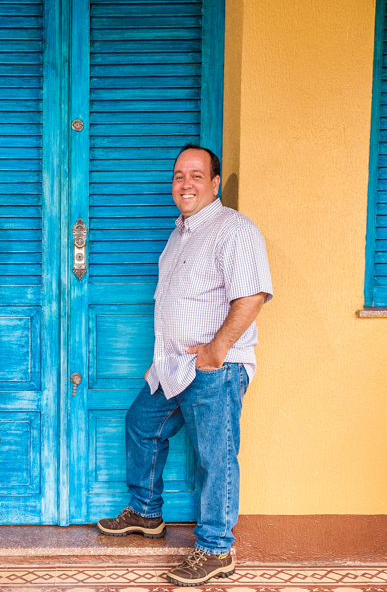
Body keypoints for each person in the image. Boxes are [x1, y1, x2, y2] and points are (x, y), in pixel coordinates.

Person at [96, 144, 272, 587]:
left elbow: (252, 295)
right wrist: (163, 355)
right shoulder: (181, 234)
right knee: (142, 424)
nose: (185, 184)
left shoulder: (234, 229)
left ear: (215, 183)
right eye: (179, 176)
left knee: (215, 456)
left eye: (196, 175)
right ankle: (146, 512)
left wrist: (215, 351)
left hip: (214, 368)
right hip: (173, 366)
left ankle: (215, 549)